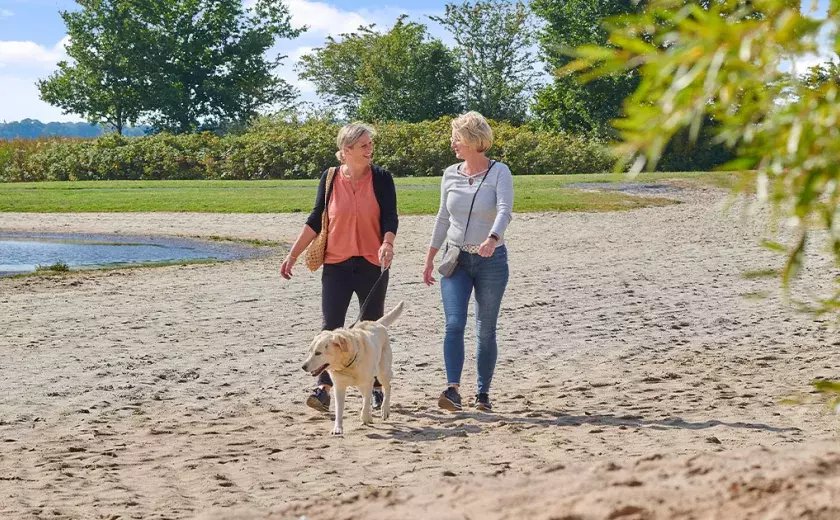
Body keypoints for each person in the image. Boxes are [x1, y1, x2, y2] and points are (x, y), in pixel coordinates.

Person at [281, 122, 398, 413]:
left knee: (371, 328)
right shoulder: (330, 177)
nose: (370, 149)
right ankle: (323, 388)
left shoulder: (381, 178)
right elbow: (315, 219)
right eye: (364, 145)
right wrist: (293, 255)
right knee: (330, 326)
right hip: (336, 264)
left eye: (370, 144)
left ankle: (375, 388)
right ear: (346, 150)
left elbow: (390, 217)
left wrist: (387, 243)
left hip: (372, 263)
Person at [422, 111, 513, 412]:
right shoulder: (450, 174)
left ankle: (483, 394)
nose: (453, 144)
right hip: (455, 259)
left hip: (491, 261)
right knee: (453, 324)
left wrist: (492, 238)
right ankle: (452, 390)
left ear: (473, 140)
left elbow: (505, 210)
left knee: (486, 329)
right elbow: (442, 217)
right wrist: (430, 257)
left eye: (456, 138)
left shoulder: (500, 172)